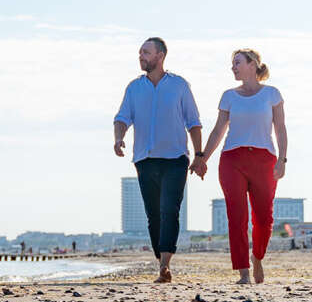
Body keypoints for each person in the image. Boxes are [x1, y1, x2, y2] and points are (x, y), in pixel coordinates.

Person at [191, 48, 286, 284]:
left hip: (264, 160)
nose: (233, 67)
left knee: (264, 218)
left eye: (237, 62)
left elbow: (280, 129)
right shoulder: (228, 96)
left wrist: (282, 159)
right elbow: (218, 131)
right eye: (232, 64)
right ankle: (243, 271)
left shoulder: (272, 94)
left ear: (252, 64)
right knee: (237, 217)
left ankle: (257, 257)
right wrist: (203, 158)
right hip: (232, 160)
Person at [114, 37, 203, 283]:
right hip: (145, 160)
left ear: (160, 55)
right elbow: (122, 118)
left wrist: (199, 155)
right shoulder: (134, 88)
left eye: (146, 52)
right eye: (140, 52)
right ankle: (160, 261)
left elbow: (193, 122)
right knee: (153, 215)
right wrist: (119, 138)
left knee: (169, 210)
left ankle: (165, 265)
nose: (141, 56)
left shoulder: (180, 86)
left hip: (175, 159)